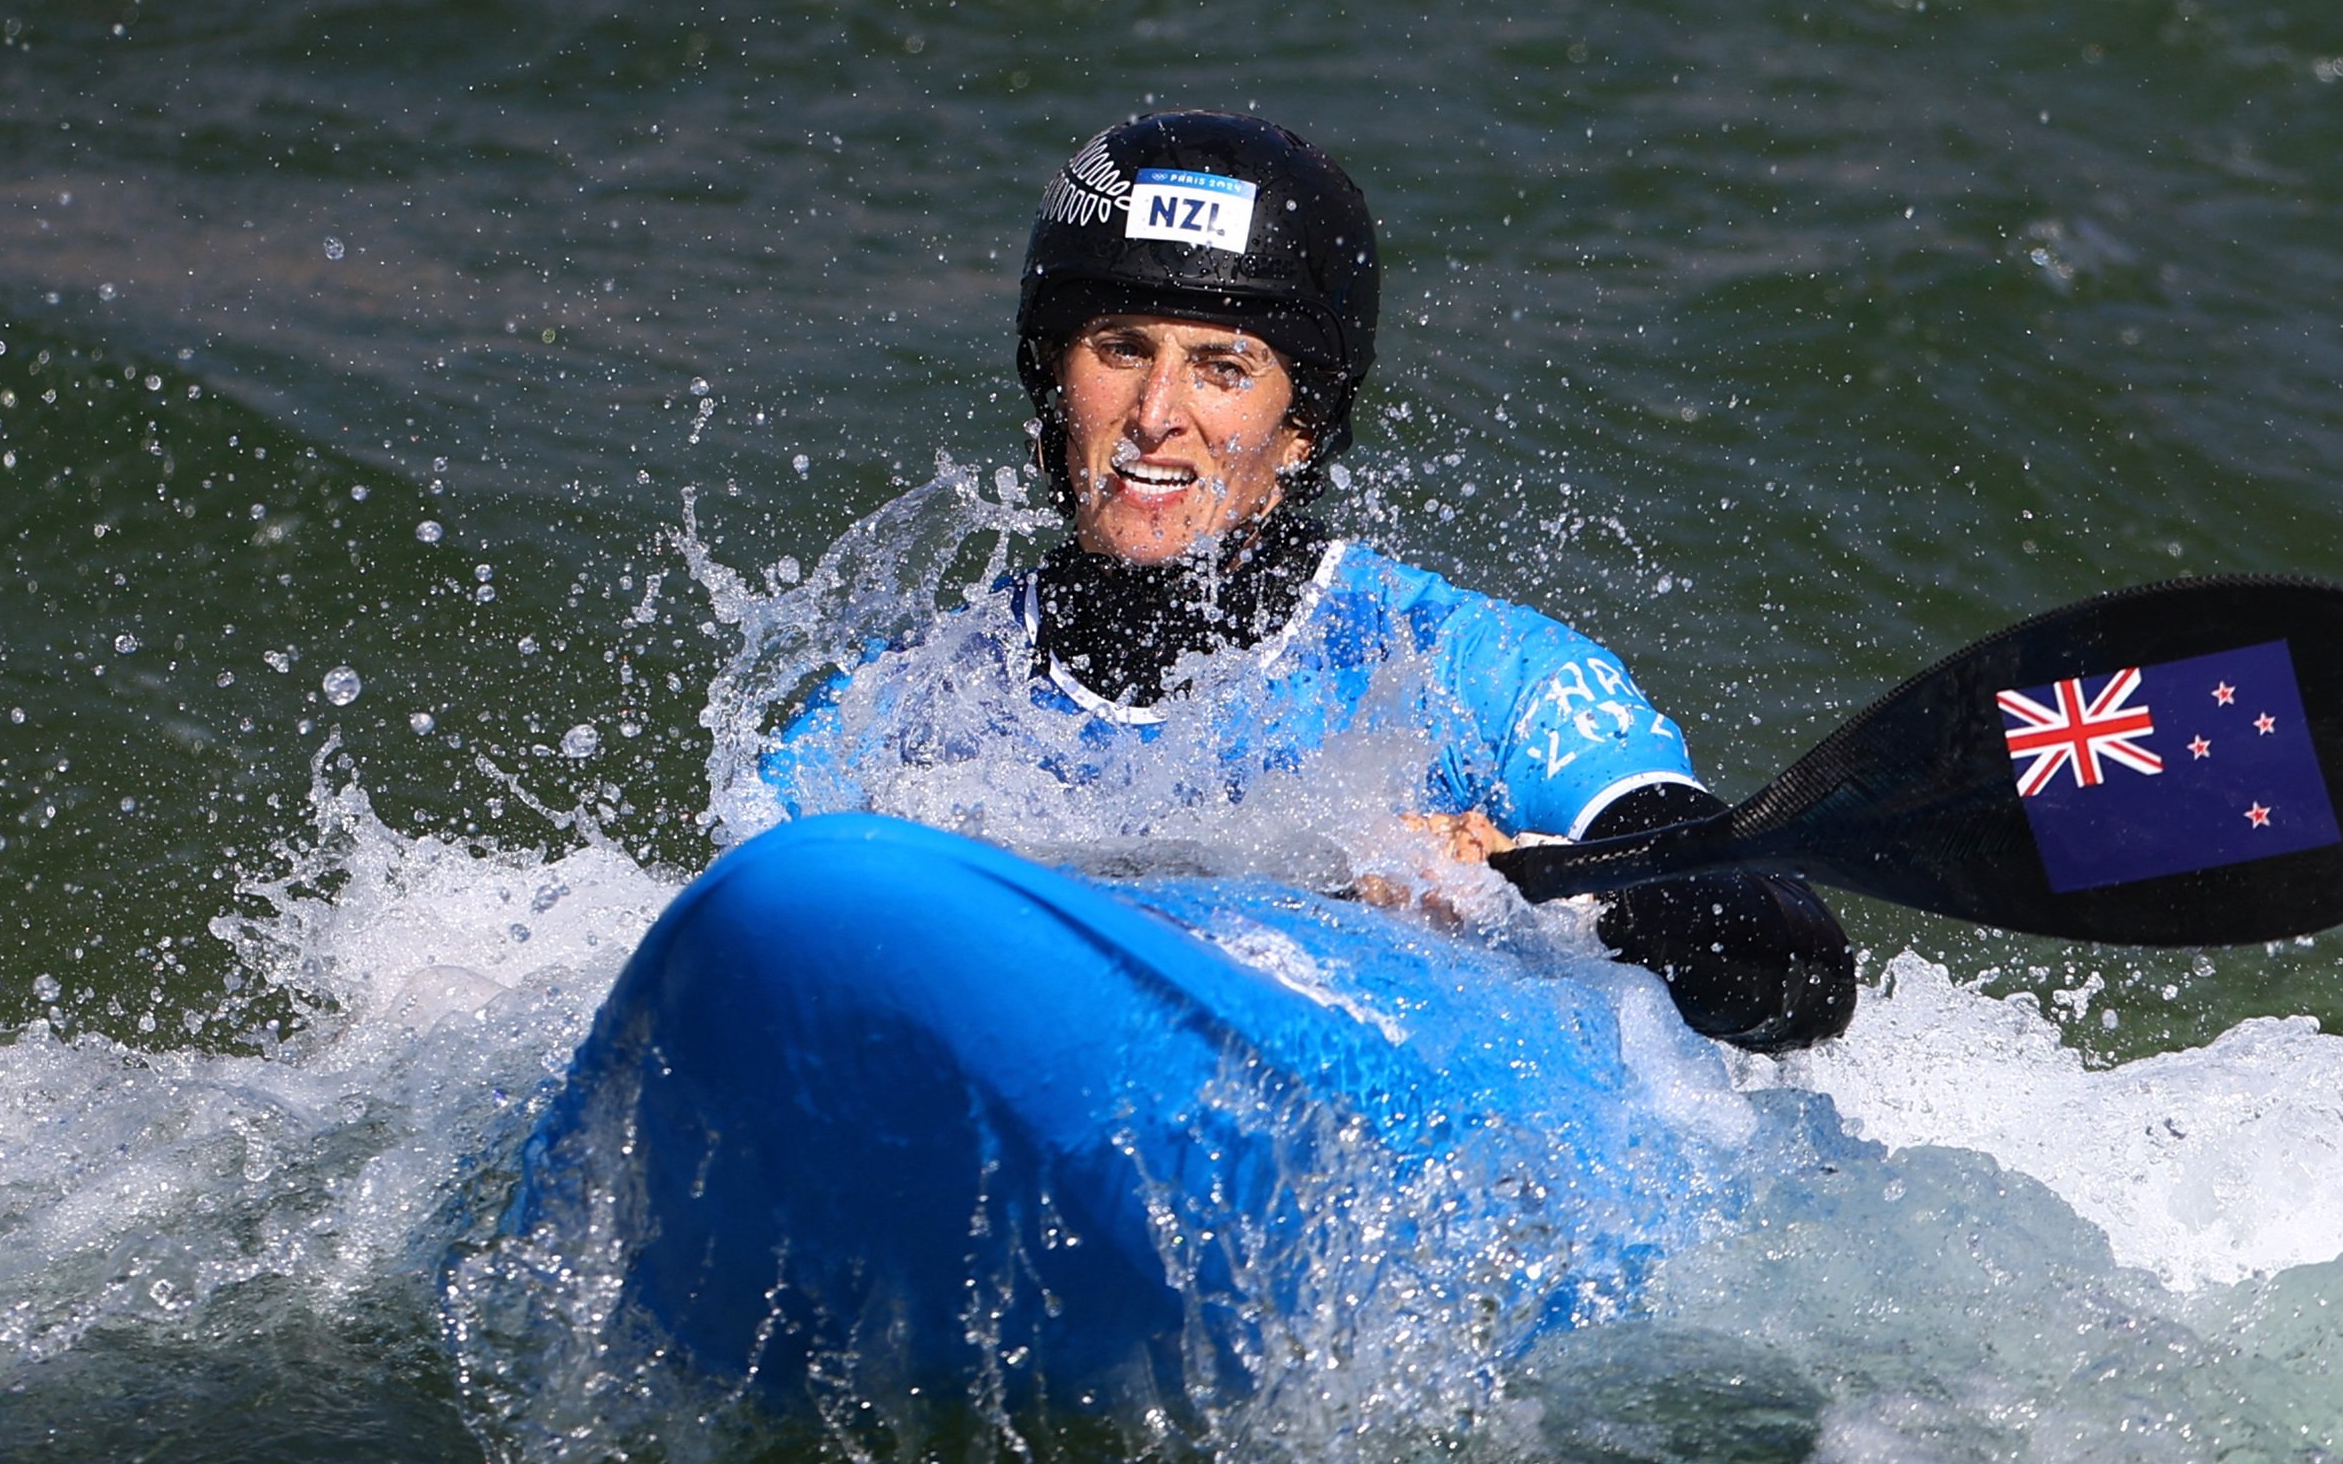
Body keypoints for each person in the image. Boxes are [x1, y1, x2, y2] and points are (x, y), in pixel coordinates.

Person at [765, 111, 1853, 1051]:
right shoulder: (909, 702)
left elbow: (1794, 972)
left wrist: (1550, 890)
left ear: (1299, 428)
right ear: (1054, 384)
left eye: (1223, 367)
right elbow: (745, 935)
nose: (1155, 414)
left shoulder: (1484, 672)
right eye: (1121, 346)